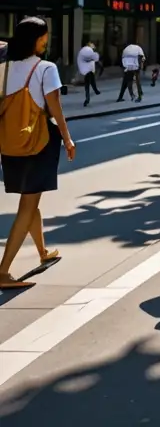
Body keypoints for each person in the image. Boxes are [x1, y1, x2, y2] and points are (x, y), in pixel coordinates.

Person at [0, 17, 75, 289]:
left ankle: (43, 252)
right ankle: (3, 272)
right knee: (28, 204)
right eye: (45, 35)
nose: (47, 40)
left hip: (9, 143)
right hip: (38, 141)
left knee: (29, 199)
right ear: (37, 39)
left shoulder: (5, 67)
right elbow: (55, 107)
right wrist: (67, 139)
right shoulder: (46, 68)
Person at [76, 38, 101, 107]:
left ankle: (95, 91)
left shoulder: (87, 51)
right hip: (87, 71)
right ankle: (88, 98)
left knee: (91, 82)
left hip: (88, 71)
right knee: (88, 84)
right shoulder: (87, 51)